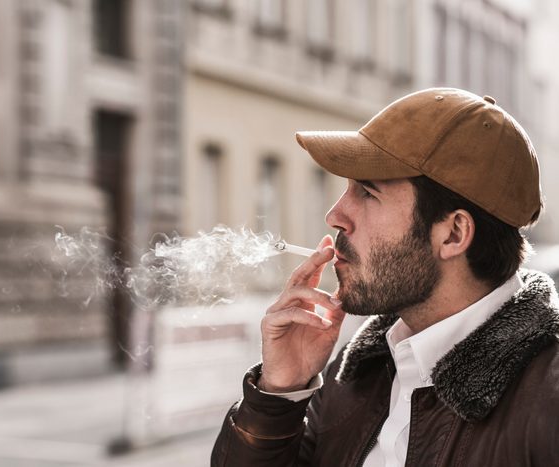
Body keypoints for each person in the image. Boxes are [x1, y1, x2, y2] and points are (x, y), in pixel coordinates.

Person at [211, 88, 559, 466]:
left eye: (367, 193)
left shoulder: (548, 398)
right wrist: (279, 395)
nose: (336, 215)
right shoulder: (357, 372)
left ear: (454, 234)